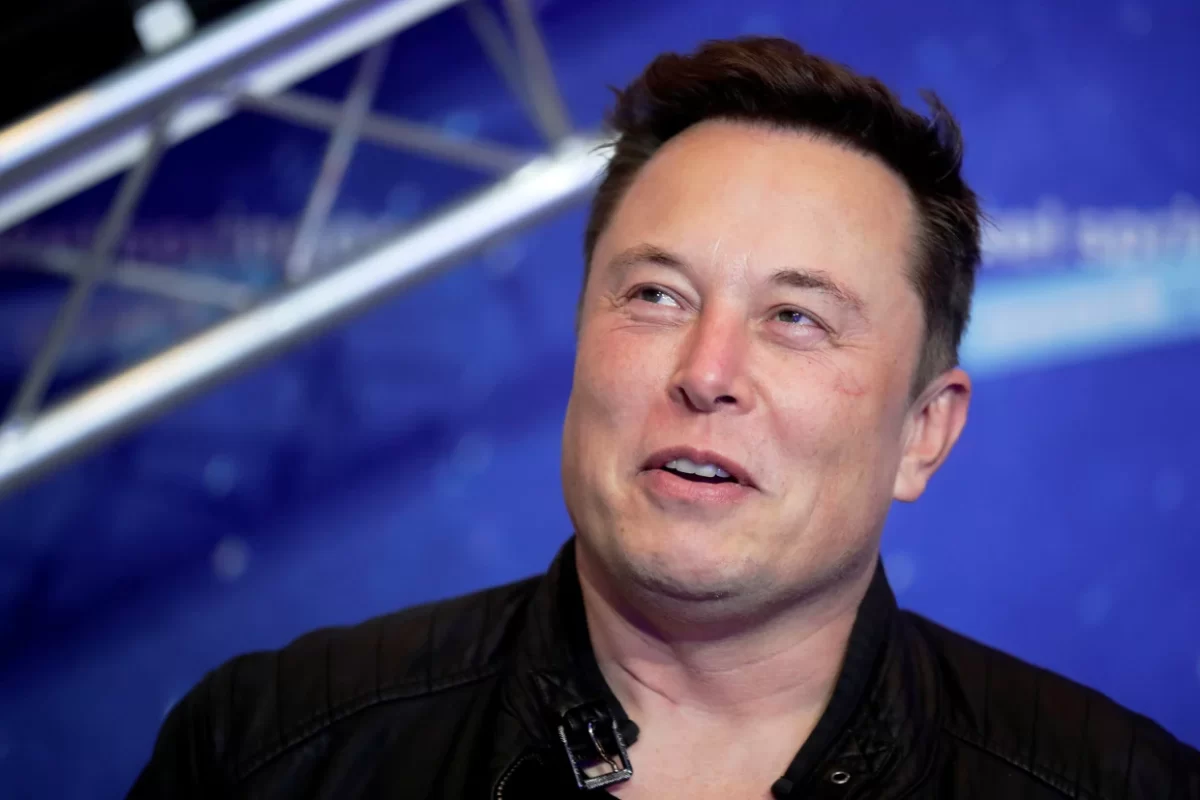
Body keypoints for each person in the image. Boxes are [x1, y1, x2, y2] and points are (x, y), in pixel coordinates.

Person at [129, 37, 1200, 799]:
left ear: (923, 432)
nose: (706, 372)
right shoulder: (272, 748)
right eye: (655, 296)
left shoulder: (1113, 784)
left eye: (795, 317)